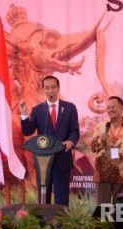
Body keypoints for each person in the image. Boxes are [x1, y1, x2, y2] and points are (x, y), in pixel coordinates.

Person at [19, 75, 80, 205]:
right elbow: (28, 131)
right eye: (47, 88)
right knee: (43, 198)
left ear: (58, 88)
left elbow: (74, 131)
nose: (50, 91)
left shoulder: (69, 108)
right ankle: (43, 224)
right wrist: (24, 114)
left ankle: (61, 225)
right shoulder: (38, 110)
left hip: (62, 158)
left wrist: (70, 142)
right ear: (43, 90)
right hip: (43, 161)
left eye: (53, 87)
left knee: (62, 199)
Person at [90, 96, 123, 204]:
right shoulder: (101, 126)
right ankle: (103, 221)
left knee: (120, 209)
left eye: (113, 107)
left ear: (122, 108)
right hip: (103, 172)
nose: (110, 110)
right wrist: (100, 141)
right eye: (108, 108)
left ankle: (118, 221)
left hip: (122, 172)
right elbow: (93, 147)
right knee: (103, 209)